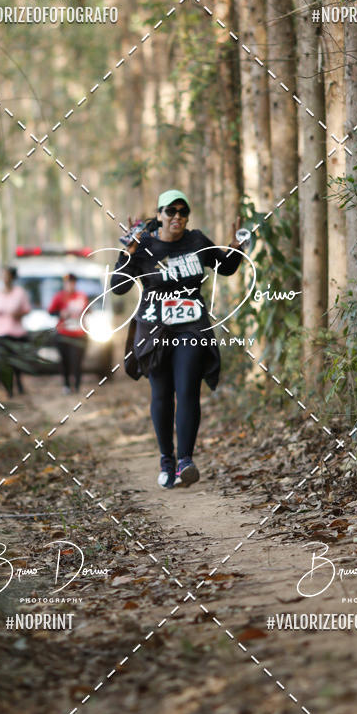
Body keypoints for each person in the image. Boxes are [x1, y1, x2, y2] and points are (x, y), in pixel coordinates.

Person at [111, 189, 244, 489]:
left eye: (183, 212)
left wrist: (236, 247)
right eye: (171, 211)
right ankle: (166, 461)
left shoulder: (196, 241)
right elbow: (118, 287)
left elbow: (225, 268)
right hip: (154, 329)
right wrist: (128, 253)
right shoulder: (143, 245)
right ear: (158, 215)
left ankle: (185, 460)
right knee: (161, 394)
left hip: (190, 327)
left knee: (187, 390)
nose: (178, 217)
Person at [0, 266, 31, 397]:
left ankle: (19, 383)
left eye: (7, 275)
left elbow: (27, 309)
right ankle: (9, 390)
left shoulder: (20, 292)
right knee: (4, 362)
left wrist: (19, 314)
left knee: (16, 362)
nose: (5, 278)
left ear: (12, 277)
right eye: (3, 275)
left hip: (16, 333)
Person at [48, 273, 89, 393]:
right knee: (65, 361)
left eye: (72, 282)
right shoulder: (59, 297)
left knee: (77, 361)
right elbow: (51, 311)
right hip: (63, 333)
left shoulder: (82, 296)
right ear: (64, 284)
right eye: (68, 282)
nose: (70, 285)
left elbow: (87, 310)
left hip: (79, 333)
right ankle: (66, 385)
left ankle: (76, 386)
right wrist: (60, 313)